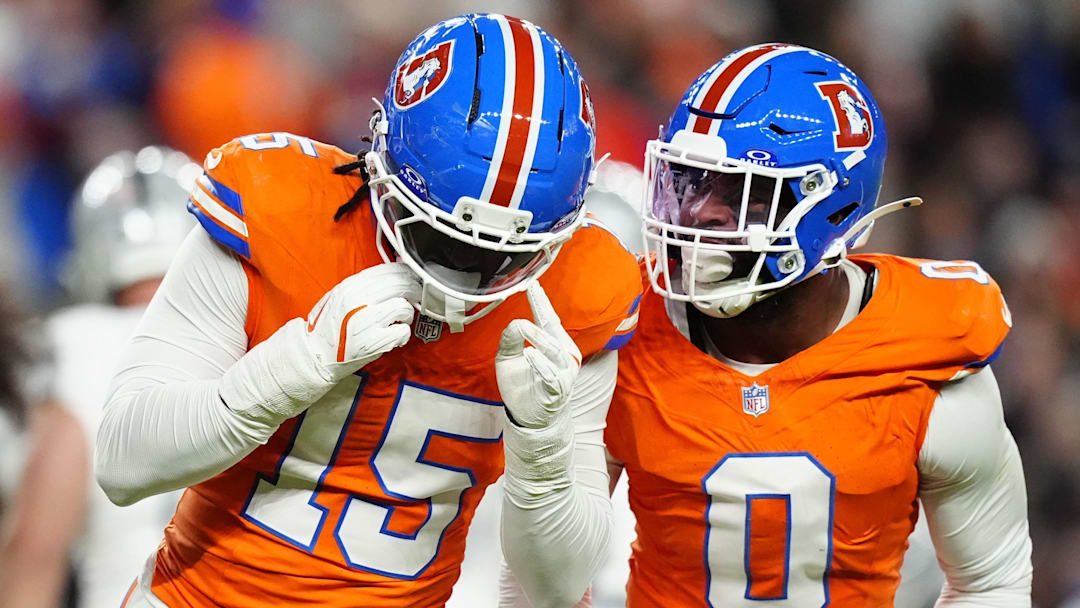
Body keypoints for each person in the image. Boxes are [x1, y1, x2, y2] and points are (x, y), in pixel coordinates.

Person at [95, 13, 641, 608]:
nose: (461, 278)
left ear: (559, 234)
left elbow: (554, 587)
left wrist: (542, 450)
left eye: (501, 257)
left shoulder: (581, 290)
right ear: (380, 164)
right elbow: (124, 461)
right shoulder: (283, 214)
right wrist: (290, 370)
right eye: (441, 238)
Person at [603, 44, 1032, 606]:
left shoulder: (929, 348)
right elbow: (546, 580)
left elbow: (991, 584)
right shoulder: (621, 324)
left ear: (830, 211)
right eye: (689, 182)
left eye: (741, 193)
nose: (698, 214)